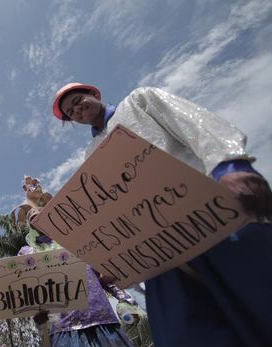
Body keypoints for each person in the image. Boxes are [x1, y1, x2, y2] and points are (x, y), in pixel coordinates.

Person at [52, 82, 272, 346]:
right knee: (187, 335)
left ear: (94, 94)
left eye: (78, 100)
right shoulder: (91, 156)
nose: (76, 109)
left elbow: (193, 123)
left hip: (215, 222)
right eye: (70, 111)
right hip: (160, 258)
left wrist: (230, 165)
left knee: (260, 301)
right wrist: (114, 258)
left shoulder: (140, 101)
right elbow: (112, 210)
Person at [16, 177, 137, 347]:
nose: (38, 218)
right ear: (29, 225)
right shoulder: (28, 253)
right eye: (33, 218)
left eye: (42, 215)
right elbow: (23, 287)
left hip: (100, 317)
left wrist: (125, 300)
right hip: (63, 327)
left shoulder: (78, 242)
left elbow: (103, 273)